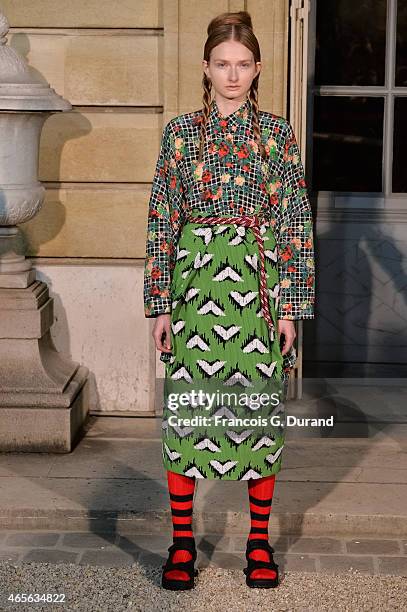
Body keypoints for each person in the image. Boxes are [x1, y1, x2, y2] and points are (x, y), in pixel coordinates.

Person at [143, 10, 315, 591]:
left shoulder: (276, 134)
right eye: (223, 64)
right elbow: (162, 220)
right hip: (194, 294)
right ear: (206, 68)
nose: (233, 74)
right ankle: (182, 546)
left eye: (243, 65)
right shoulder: (180, 134)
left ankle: (258, 545)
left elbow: (293, 219)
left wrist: (290, 307)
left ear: (257, 68)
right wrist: (160, 304)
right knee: (189, 417)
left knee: (258, 420)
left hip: (259, 293)